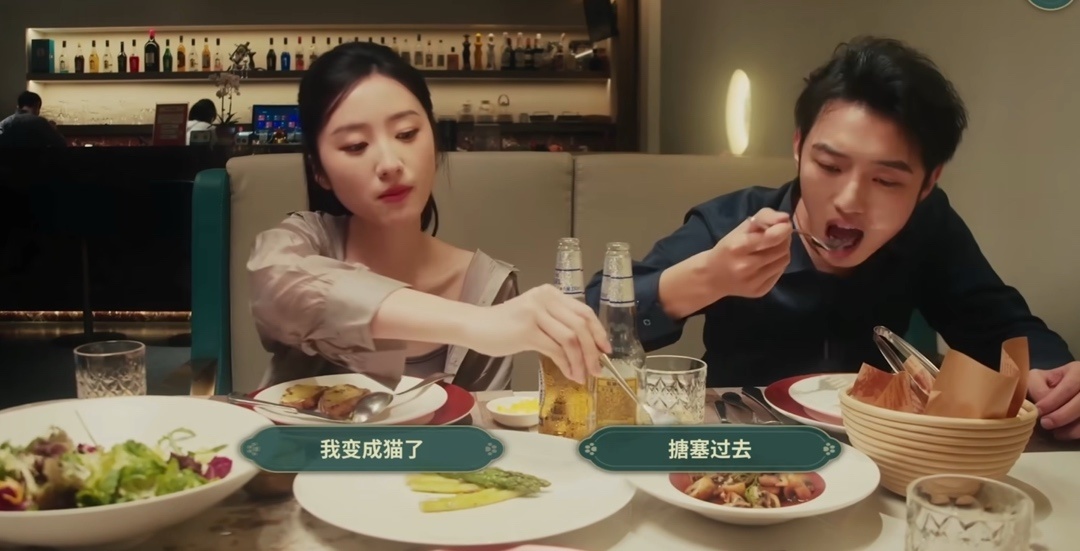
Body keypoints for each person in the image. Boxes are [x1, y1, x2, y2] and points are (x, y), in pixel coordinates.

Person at [584, 36, 1080, 440]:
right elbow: (592, 318)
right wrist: (706, 278)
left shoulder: (928, 225)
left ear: (928, 183)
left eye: (886, 180)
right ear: (799, 148)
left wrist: (1056, 378)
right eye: (829, 166)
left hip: (882, 452)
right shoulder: (732, 222)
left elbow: (1001, 326)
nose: (849, 200)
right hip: (744, 448)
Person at [248, 41, 609, 391]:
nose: (390, 164)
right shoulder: (306, 243)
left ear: (434, 140)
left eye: (406, 134)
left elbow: (482, 423)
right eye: (356, 145)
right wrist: (479, 323)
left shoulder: (485, 285)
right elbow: (280, 287)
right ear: (319, 170)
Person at [0, 91, 66, 147]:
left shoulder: (5, 122)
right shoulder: (40, 122)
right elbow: (60, 143)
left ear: (19, 106)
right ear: (36, 105)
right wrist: (52, 128)